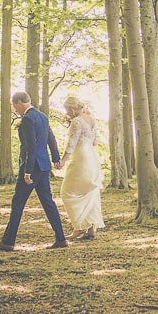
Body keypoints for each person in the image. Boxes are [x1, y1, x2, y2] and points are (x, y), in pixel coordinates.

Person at [0, 91, 68, 251]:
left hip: (32, 167)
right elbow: (51, 139)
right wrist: (55, 158)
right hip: (44, 165)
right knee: (48, 202)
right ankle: (61, 239)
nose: (15, 109)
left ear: (19, 102)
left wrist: (27, 171)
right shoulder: (42, 116)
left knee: (17, 203)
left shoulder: (27, 119)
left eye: (14, 105)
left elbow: (31, 146)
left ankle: (8, 242)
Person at [56, 94, 105, 239]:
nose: (66, 113)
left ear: (72, 108)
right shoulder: (91, 120)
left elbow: (72, 143)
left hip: (80, 158)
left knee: (67, 192)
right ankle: (90, 229)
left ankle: (78, 227)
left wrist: (63, 160)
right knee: (89, 191)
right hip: (91, 157)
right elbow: (95, 141)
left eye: (67, 110)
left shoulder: (77, 121)